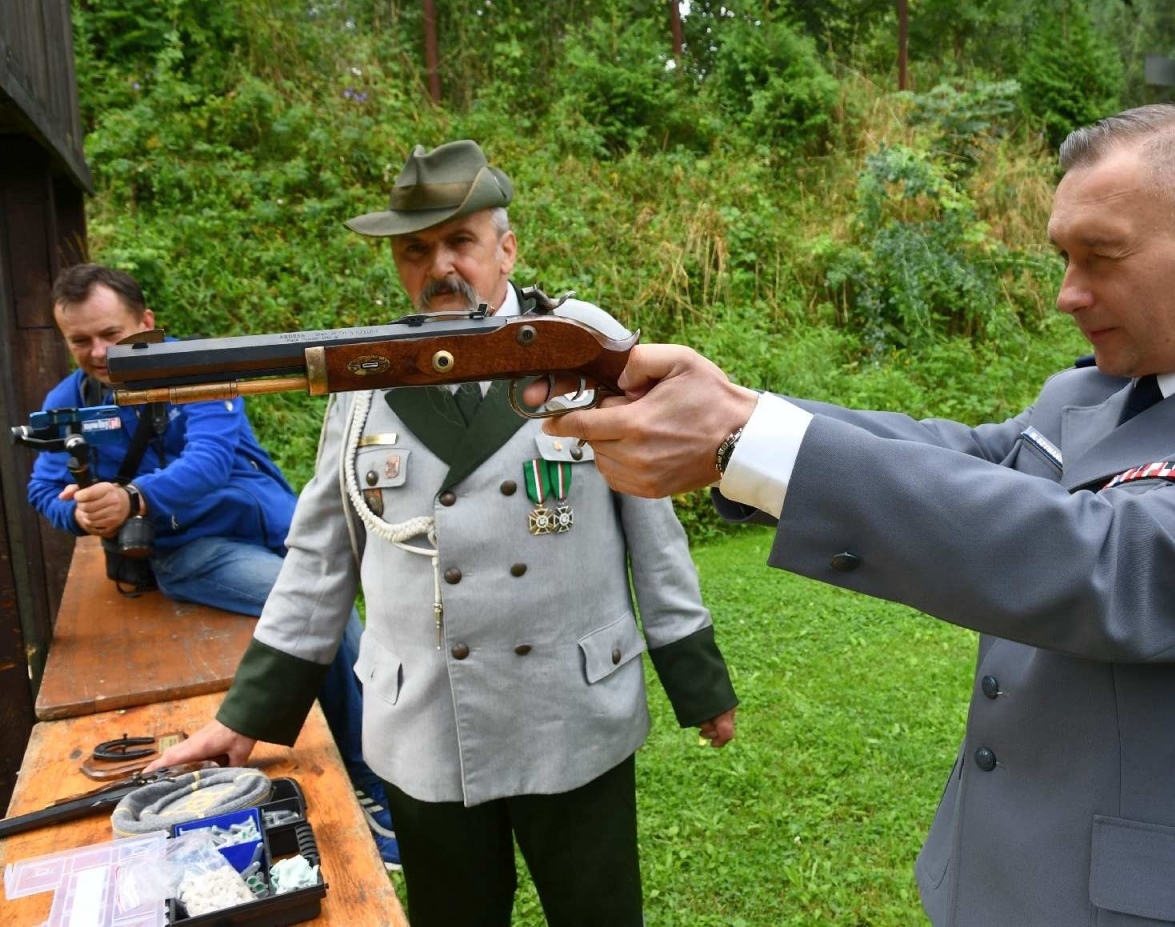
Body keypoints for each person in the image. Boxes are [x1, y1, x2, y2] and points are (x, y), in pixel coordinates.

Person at [540, 106, 1175, 926]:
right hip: (990, 882)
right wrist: (732, 406)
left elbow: (1110, 568)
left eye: (1101, 255)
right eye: (1064, 258)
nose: (1066, 294)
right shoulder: (1088, 396)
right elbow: (957, 457)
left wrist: (748, 438)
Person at [151, 140, 739, 927]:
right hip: (426, 726)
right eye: (416, 249)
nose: (440, 267)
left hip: (573, 709)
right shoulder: (366, 381)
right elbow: (320, 559)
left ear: (507, 248)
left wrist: (694, 675)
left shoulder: (584, 345)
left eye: (460, 241)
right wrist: (245, 716)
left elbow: (654, 516)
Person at [27, 264, 398, 868]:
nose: (98, 352)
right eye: (81, 341)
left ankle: (371, 766)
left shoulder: (196, 371)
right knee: (328, 624)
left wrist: (134, 498)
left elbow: (211, 460)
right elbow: (42, 488)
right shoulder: (68, 403)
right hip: (194, 556)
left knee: (342, 621)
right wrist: (83, 515)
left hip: (277, 529)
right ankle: (374, 786)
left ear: (147, 323)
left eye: (112, 334)